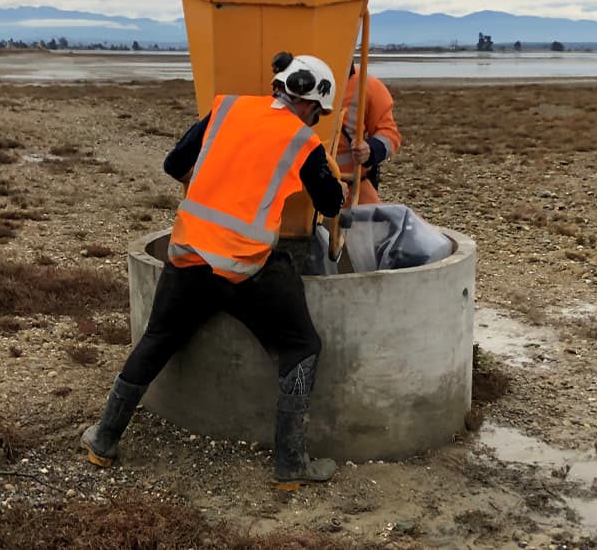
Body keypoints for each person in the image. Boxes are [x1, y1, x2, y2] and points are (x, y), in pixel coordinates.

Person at [81, 55, 347, 485]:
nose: (316, 120)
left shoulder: (227, 110)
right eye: (319, 113)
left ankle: (104, 440)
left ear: (280, 86)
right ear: (313, 104)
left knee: (159, 338)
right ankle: (291, 464)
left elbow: (173, 164)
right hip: (247, 268)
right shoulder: (303, 142)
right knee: (302, 347)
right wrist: (332, 178)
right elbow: (331, 205)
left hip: (188, 254)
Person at [336, 61, 401, 205]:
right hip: (297, 187)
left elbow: (390, 135)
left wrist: (370, 150)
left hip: (352, 189)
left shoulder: (369, 86)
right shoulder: (293, 82)